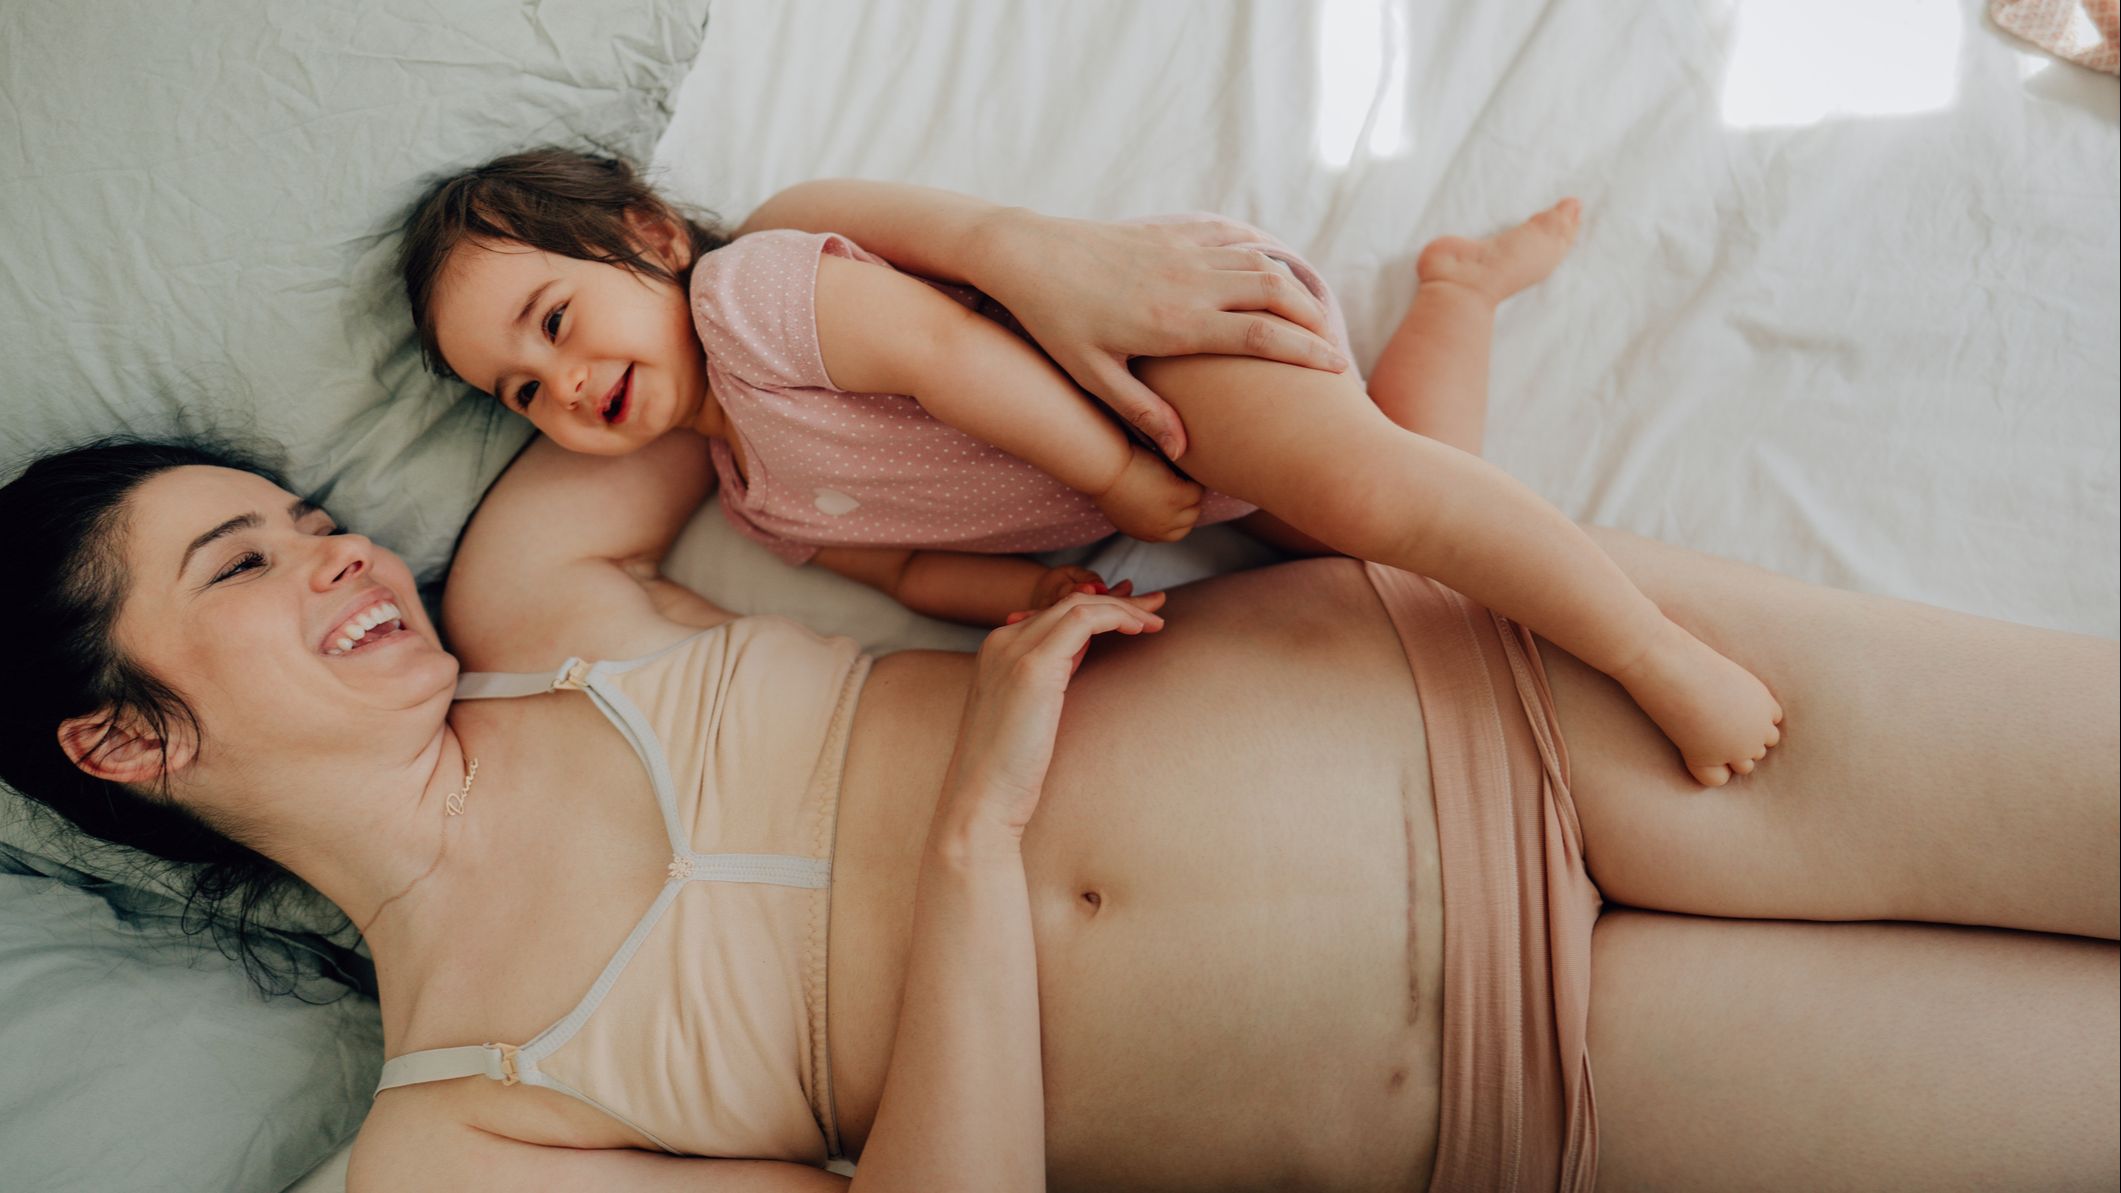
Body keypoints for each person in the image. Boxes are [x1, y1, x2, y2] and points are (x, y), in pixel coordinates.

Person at [1, 198, 2114, 1193]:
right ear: (125, 737)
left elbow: (718, 298)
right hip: (1528, 1080)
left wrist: (1029, 266)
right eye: (243, 566)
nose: (344, 553)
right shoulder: (453, 1144)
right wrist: (972, 829)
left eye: (309, 515)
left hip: (1489, 686)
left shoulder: (532, 591)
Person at [403, 150, 1776, 786]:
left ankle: (1652, 652)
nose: (559, 386)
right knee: (1380, 528)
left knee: (1385, 500)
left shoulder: (748, 297)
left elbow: (948, 352)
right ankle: (1459, 295)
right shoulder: (756, 499)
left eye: (554, 323)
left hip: (1152, 365)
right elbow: (900, 566)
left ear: (650, 237)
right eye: (520, 393)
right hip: (1164, 472)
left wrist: (1117, 483)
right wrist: (1019, 597)